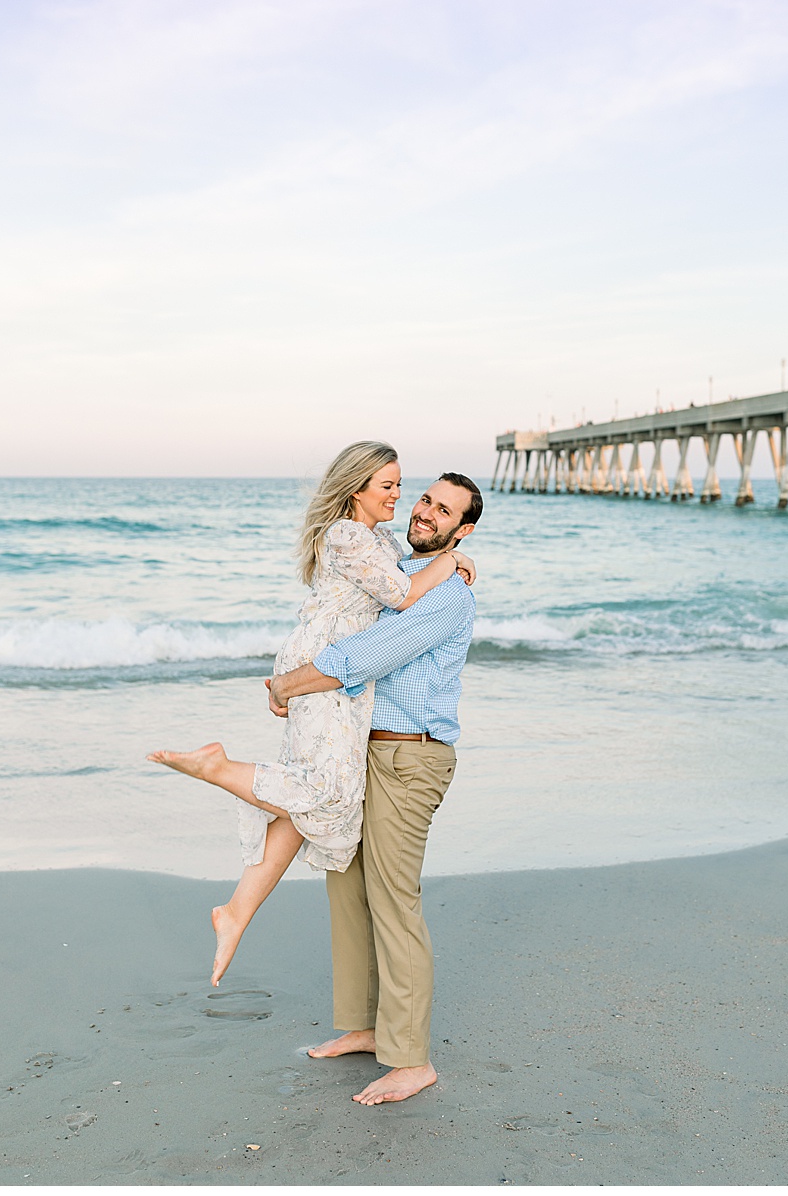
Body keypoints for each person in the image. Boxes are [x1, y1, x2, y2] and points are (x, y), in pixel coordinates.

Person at [149, 443, 472, 987]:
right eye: (391, 486)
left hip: (337, 671)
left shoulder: (379, 538)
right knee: (324, 793)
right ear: (356, 489)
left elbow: (404, 573)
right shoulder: (348, 534)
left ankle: (235, 914)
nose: (401, 497)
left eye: (401, 486)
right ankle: (218, 768)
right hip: (328, 666)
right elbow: (400, 593)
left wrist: (450, 557)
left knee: (308, 805)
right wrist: (449, 561)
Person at [266, 470, 483, 1107]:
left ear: (461, 531)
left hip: (408, 759)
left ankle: (411, 1060)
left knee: (392, 900)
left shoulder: (443, 597)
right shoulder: (404, 575)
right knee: (348, 888)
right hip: (367, 753)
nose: (425, 513)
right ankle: (365, 1027)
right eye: (424, 499)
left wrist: (287, 685)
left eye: (444, 512)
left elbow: (366, 655)